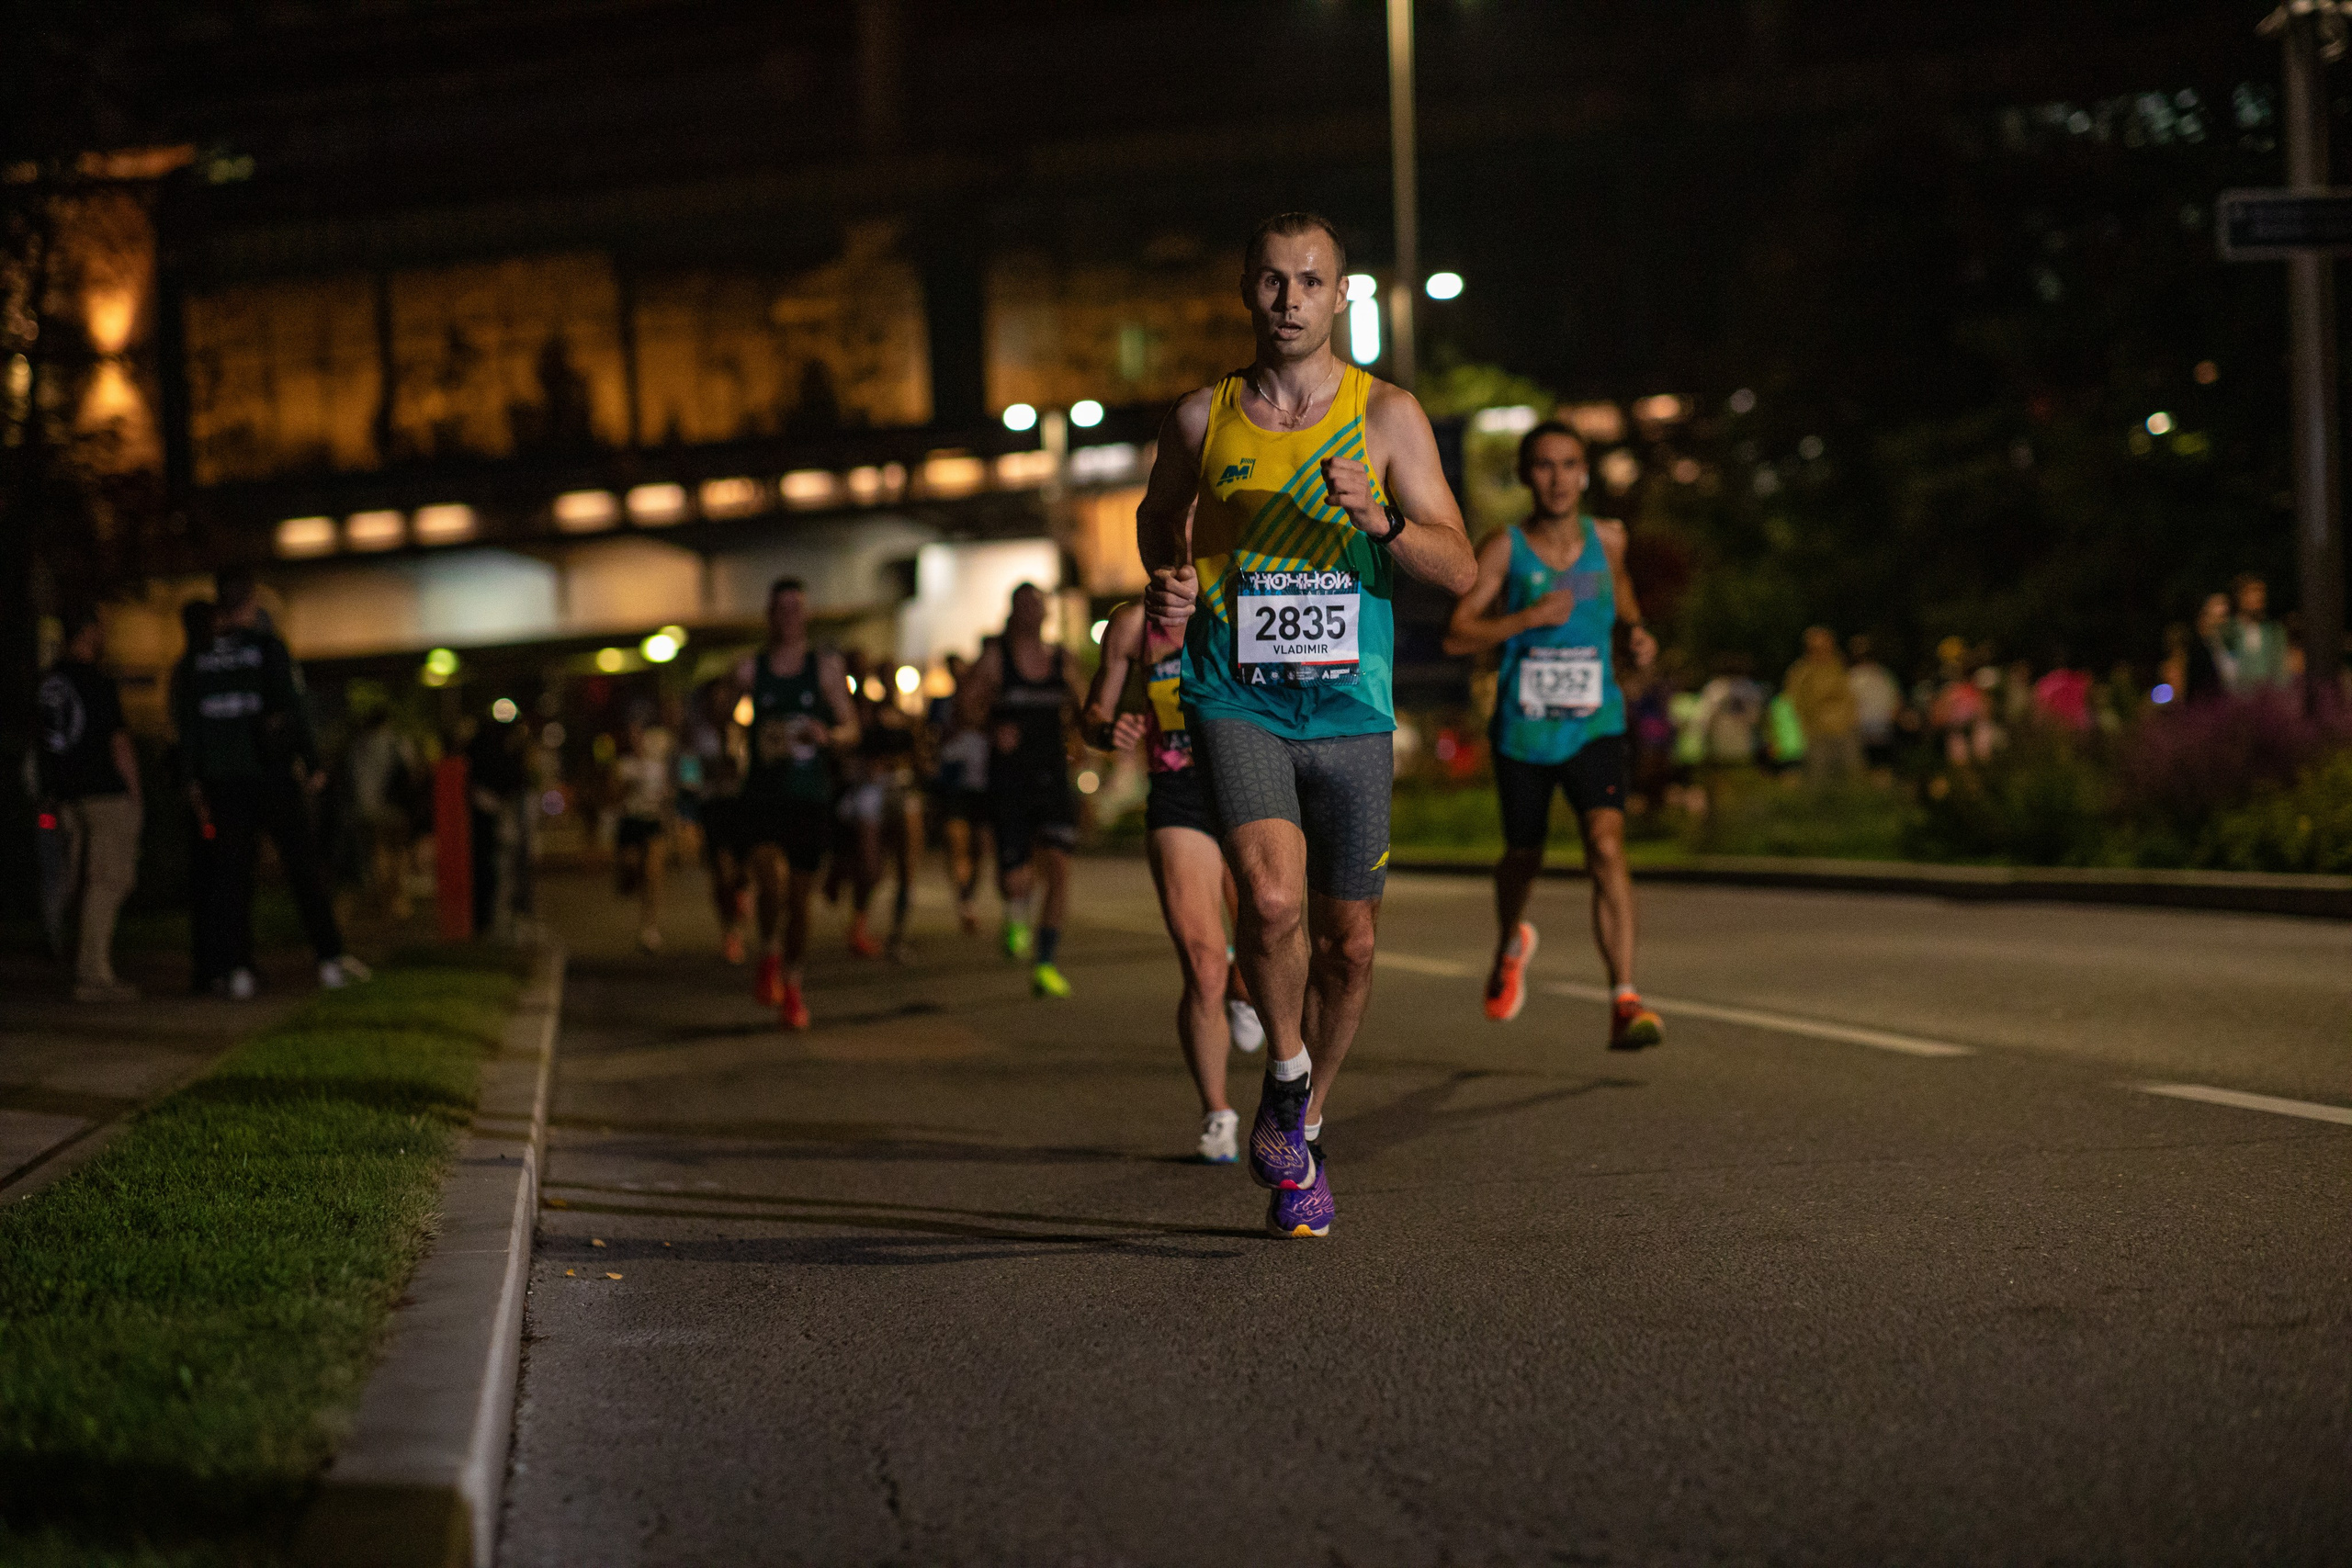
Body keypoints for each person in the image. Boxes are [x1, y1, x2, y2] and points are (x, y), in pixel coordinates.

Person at [1139, 211, 1477, 1237]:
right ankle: (1283, 1073)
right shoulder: (1206, 417)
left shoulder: (1387, 417)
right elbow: (1159, 519)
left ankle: (1304, 1121)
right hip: (1236, 693)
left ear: (1341, 297)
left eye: (1311, 282)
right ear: (1248, 291)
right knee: (1273, 904)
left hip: (1351, 706)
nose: (1290, 300)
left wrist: (1381, 519)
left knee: (1353, 944)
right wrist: (1169, 577)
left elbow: (1458, 566)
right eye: (1273, 281)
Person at [1442, 422, 1665, 1049]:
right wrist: (1527, 618)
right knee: (1524, 854)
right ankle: (1511, 937)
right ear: (1525, 474)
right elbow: (1458, 634)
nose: (1558, 478)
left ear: (1586, 473)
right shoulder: (1506, 548)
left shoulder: (1609, 541)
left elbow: (1623, 605)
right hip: (1524, 732)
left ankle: (1625, 998)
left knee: (1606, 842)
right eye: (1544, 465)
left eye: (1569, 464)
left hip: (1596, 722)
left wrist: (1638, 635)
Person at [1083, 599, 1267, 1162]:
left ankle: (1247, 989)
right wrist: (1110, 729)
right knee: (1204, 963)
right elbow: (1093, 715)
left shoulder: (1247, 596)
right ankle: (1218, 1112)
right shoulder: (1136, 623)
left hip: (1251, 784)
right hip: (1180, 793)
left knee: (1266, 933)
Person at [174, 568, 369, 997]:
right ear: (251, 602)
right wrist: (313, 763)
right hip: (270, 775)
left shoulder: (195, 659)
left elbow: (188, 725)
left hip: (223, 782)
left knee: (233, 877)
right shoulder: (266, 649)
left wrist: (193, 779)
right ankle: (329, 959)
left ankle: (239, 969)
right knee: (302, 867)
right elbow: (293, 707)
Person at [740, 577, 858, 1029]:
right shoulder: (751, 669)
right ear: (770, 615)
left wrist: (828, 735)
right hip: (765, 794)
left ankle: (792, 982)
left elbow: (851, 729)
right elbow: (714, 714)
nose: (789, 615)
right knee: (769, 882)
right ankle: (768, 950)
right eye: (781, 607)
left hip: (809, 797)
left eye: (797, 607)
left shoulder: (824, 668)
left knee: (800, 899)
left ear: (805, 615)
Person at [959, 584, 1087, 998]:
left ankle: (1045, 963)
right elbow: (964, 706)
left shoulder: (1060, 660)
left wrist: (1083, 741)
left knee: (1059, 866)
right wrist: (991, 729)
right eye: (1026, 605)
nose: (1034, 612)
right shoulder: (997, 660)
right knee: (1016, 880)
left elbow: (1086, 705)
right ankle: (1016, 912)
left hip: (1052, 775)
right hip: (1010, 778)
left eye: (1039, 605)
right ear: (1013, 612)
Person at [38, 608, 143, 1001]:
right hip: (103, 792)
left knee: (82, 880)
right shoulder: (96, 681)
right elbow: (118, 741)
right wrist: (135, 791)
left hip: (68, 796)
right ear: (87, 631)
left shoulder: (50, 682)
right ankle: (93, 974)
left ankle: (82, 963)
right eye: (99, 628)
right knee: (110, 880)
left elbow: (48, 739)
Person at [685, 675, 752, 963]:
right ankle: (730, 933)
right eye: (714, 700)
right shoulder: (698, 735)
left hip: (742, 805)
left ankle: (743, 894)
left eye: (725, 699)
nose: (720, 705)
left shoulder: (742, 731)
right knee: (721, 871)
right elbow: (687, 774)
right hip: (713, 805)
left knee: (745, 868)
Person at [930, 654, 993, 935]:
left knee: (980, 848)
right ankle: (965, 903)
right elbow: (930, 739)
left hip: (983, 788)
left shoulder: (990, 703)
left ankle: (969, 894)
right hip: (955, 786)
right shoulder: (943, 705)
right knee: (957, 845)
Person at [345, 701, 418, 920]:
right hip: (394, 806)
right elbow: (413, 770)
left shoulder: (359, 745)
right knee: (397, 851)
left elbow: (352, 777)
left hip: (364, 808)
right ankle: (396, 899)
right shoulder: (397, 742)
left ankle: (382, 897)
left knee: (377, 851)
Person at [610, 710, 673, 952]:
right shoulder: (623, 766)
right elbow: (613, 797)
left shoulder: (658, 766)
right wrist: (625, 788)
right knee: (632, 868)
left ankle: (650, 927)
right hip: (630, 822)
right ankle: (629, 885)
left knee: (653, 872)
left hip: (652, 823)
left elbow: (667, 794)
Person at [1783, 626, 1860, 787]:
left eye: (1827, 646)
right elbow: (1794, 700)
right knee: (1819, 781)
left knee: (1851, 779)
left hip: (1845, 731)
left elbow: (1850, 697)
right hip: (1817, 734)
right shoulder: (1801, 671)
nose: (1823, 651)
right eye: (1817, 648)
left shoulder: (1840, 667)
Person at [1845, 635, 1904, 772]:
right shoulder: (1851, 676)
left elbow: (1897, 700)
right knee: (1871, 769)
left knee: (1881, 768)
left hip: (1881, 729)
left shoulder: (1882, 674)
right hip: (1863, 730)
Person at [2227, 574, 2290, 692]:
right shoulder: (2228, 631)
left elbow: (2281, 671)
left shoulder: (2274, 631)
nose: (2258, 597)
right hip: (2235, 701)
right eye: (2251, 592)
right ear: (2239, 597)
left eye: (2261, 592)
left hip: (2268, 699)